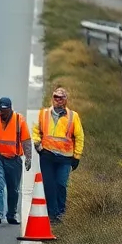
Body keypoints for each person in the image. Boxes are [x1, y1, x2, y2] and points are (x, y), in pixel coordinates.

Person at [31, 86, 84, 223]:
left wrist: (76, 156)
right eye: (55, 97)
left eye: (61, 97)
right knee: (49, 185)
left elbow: (79, 137)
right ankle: (53, 214)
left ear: (66, 100)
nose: (58, 100)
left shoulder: (73, 116)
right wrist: (38, 146)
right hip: (47, 155)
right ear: (52, 98)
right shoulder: (44, 114)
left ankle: (61, 211)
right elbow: (36, 130)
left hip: (65, 157)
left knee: (61, 184)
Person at [0, 96, 33, 225]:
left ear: (11, 108)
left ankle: (11, 214)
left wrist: (28, 157)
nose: (3, 113)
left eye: (5, 111)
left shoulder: (19, 120)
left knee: (13, 189)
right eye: (1, 110)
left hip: (14, 159)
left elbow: (26, 140)